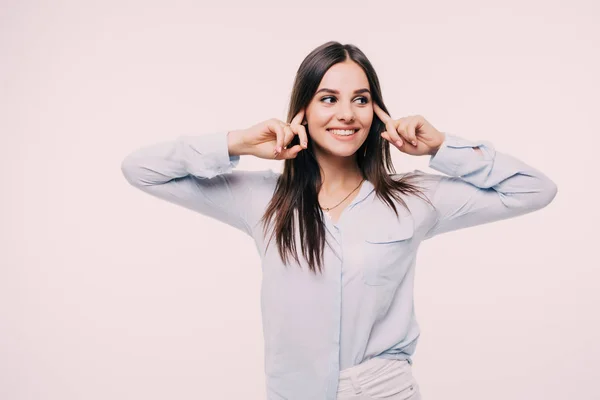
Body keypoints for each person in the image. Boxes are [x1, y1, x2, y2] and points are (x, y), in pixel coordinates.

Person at [121, 41, 557, 400]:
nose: (346, 114)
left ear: (376, 112)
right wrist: (238, 142)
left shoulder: (414, 198)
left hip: (384, 392)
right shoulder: (262, 200)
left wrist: (442, 148)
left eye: (361, 100)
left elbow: (534, 189)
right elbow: (141, 169)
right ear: (303, 111)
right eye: (328, 99)